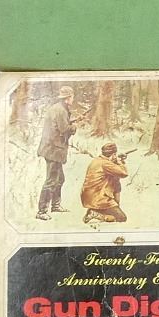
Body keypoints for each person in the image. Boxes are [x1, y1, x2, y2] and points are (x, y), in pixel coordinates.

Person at [35, 86, 76, 220]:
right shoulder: (61, 110)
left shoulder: (59, 108)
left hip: (53, 148)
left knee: (60, 179)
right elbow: (64, 129)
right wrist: (74, 127)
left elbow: (58, 125)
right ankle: (41, 211)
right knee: (51, 180)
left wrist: (71, 122)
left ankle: (55, 205)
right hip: (53, 150)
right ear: (67, 98)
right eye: (72, 97)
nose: (73, 99)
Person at [80, 142, 129, 225]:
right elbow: (124, 173)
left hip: (90, 196)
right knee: (122, 218)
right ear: (113, 154)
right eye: (115, 154)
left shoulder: (97, 160)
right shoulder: (106, 164)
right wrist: (120, 161)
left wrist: (117, 161)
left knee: (115, 180)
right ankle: (97, 214)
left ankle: (95, 211)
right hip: (99, 198)